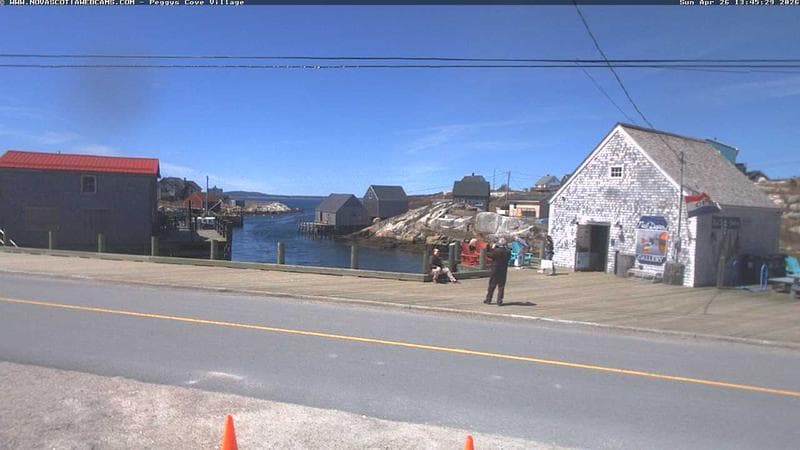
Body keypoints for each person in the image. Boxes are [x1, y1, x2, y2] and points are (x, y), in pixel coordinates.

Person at [484, 238, 511, 305]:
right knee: (501, 285)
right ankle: (499, 300)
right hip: (503, 269)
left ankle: (488, 299)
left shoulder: (496, 251)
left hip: (495, 269)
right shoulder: (508, 251)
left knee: (492, 284)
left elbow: (489, 255)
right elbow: (508, 258)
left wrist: (491, 248)